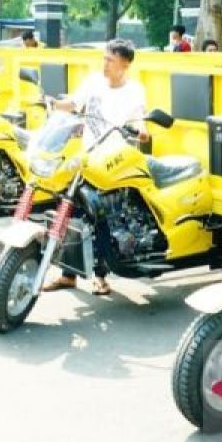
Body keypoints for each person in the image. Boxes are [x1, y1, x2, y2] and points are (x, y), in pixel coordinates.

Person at [44, 38, 148, 296]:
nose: (105, 64)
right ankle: (67, 275)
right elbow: (73, 103)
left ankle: (100, 277)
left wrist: (143, 131)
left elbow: (139, 119)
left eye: (110, 60)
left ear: (125, 64)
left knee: (103, 218)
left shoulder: (134, 91)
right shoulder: (93, 82)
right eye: (104, 58)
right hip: (87, 159)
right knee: (70, 210)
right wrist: (53, 103)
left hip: (113, 163)